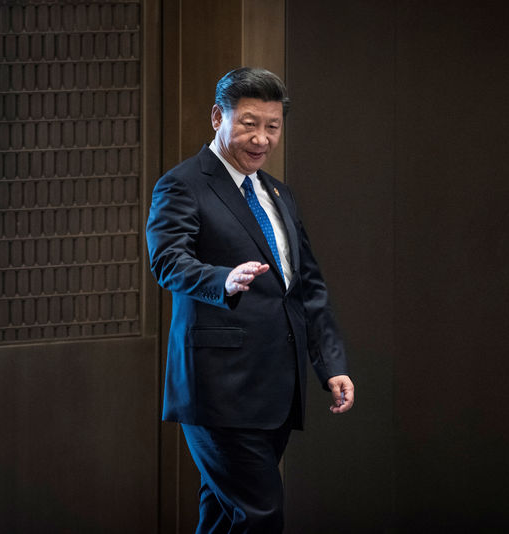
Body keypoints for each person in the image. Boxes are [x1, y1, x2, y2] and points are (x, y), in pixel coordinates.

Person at [146, 67, 354, 533]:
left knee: (225, 517)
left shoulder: (278, 192)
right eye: (249, 123)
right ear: (219, 117)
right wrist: (222, 279)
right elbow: (168, 260)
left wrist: (331, 364)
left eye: (273, 127)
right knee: (259, 515)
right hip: (219, 389)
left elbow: (307, 286)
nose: (261, 138)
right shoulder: (183, 184)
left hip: (275, 390)